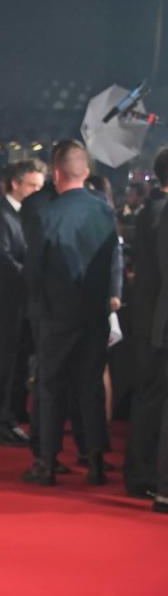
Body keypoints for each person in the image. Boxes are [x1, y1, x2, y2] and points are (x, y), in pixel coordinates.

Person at [22, 141, 117, 486]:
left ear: (56, 172)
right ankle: (94, 461)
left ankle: (46, 462)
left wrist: (39, 306)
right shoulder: (104, 210)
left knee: (49, 386)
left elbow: (34, 269)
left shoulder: (48, 213)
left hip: (56, 314)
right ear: (86, 172)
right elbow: (111, 259)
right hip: (94, 313)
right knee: (90, 385)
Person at [0, 160, 45, 445]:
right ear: (15, 183)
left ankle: (12, 416)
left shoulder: (24, 215)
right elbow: (0, 258)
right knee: (4, 366)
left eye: (39, 187)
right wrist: (32, 274)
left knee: (17, 364)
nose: (36, 192)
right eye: (32, 186)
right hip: (3, 303)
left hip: (21, 304)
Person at [123, 148, 168, 497]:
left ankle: (144, 474)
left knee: (150, 397)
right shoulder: (158, 213)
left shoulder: (152, 210)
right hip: (156, 321)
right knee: (152, 398)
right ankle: (144, 476)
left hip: (150, 316)